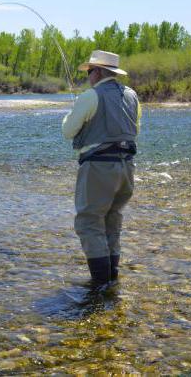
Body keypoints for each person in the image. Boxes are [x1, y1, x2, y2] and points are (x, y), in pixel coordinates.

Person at [62, 50, 141, 288]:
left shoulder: (89, 97)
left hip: (98, 167)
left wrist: (69, 116)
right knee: (112, 218)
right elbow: (134, 129)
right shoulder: (132, 95)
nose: (88, 75)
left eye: (89, 71)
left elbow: (68, 132)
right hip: (127, 167)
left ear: (97, 72)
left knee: (89, 221)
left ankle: (99, 285)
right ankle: (112, 279)